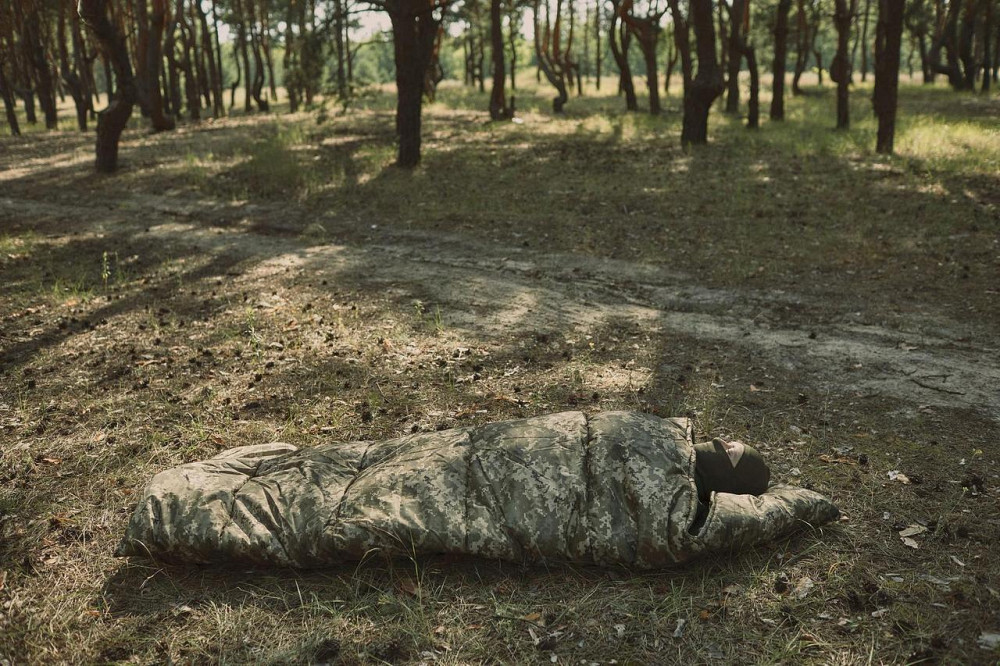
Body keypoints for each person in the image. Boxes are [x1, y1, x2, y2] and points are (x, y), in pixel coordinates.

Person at [118, 411, 838, 569]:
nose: (722, 442)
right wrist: (801, 500)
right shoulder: (655, 433)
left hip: (493, 493)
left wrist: (803, 502)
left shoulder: (677, 511)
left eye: (731, 452)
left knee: (368, 502)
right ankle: (204, 494)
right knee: (390, 466)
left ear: (723, 477)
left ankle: (186, 504)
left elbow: (762, 516)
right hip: (486, 453)